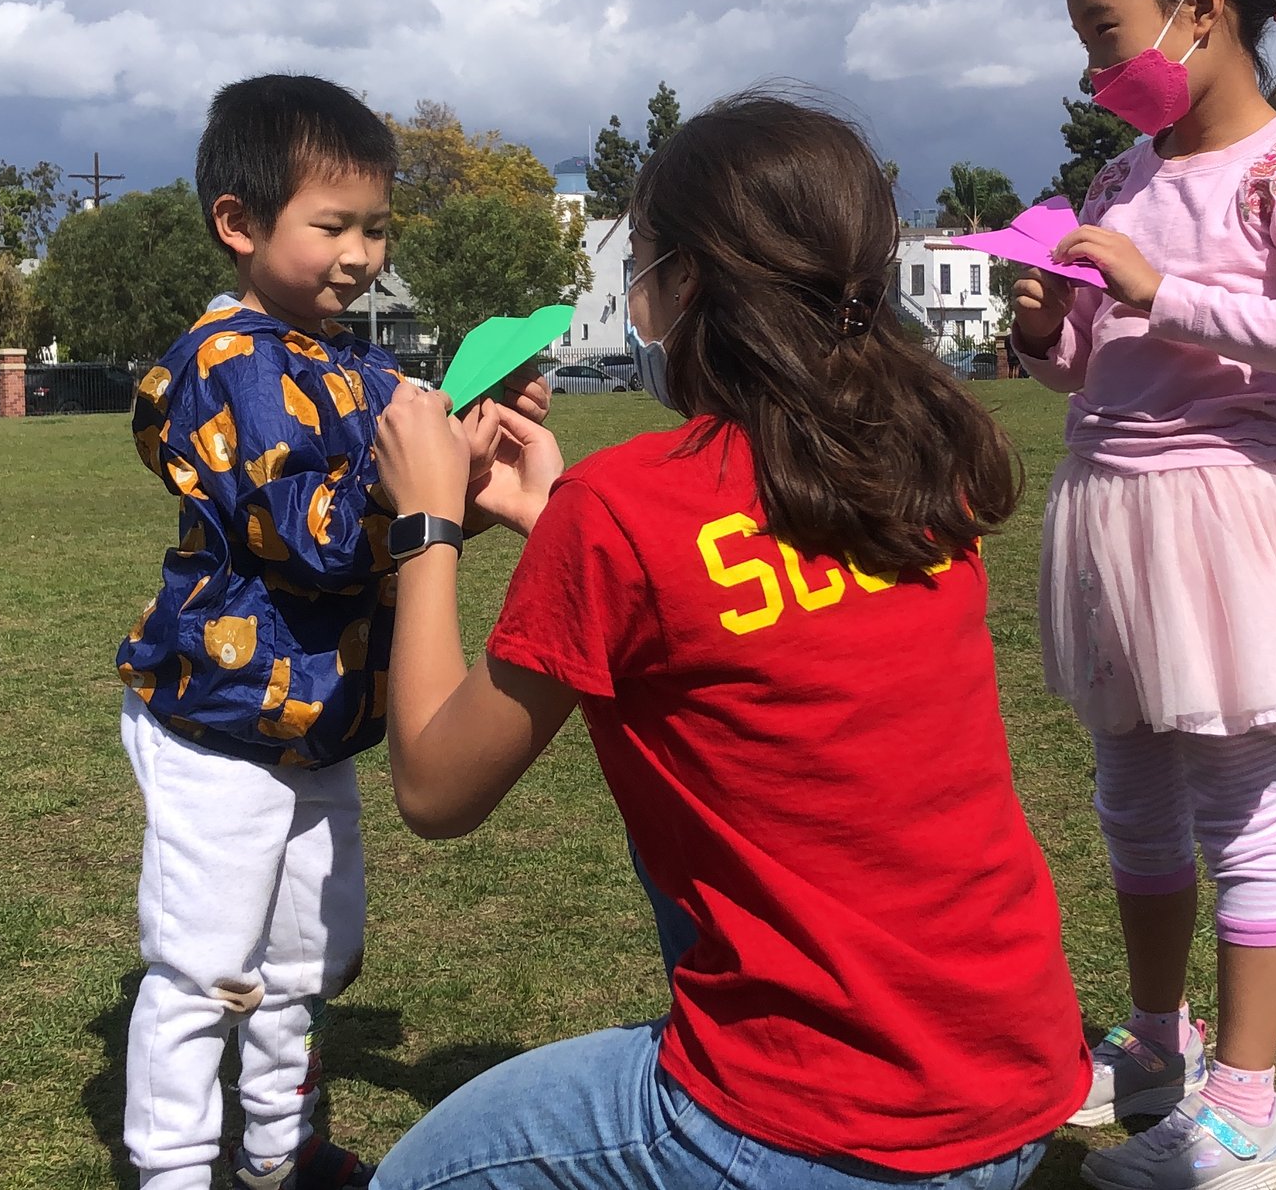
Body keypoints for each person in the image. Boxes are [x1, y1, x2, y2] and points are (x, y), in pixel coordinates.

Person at [365, 93, 1088, 1190]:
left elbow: (432, 784)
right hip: (1015, 1078)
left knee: (414, 1179)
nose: (637, 297)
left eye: (642, 265)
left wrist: (426, 522)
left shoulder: (626, 507)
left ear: (689, 281)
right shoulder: (910, 466)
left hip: (823, 1121)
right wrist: (556, 516)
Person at [1011, 0, 1276, 1190]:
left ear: (1202, 12)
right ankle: (1160, 1049)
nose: (1094, 64)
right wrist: (1047, 322)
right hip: (1110, 507)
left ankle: (1249, 1105)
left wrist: (1162, 286)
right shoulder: (1123, 172)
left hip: (1223, 514)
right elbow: (1088, 365)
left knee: (1238, 805)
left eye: (1106, 31)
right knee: (1129, 798)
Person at [114, 74, 545, 1190]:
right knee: (203, 964)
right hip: (222, 714)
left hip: (319, 712)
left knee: (306, 953)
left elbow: (396, 541)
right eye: (334, 224)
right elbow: (307, 534)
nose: (360, 253)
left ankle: (274, 1150)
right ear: (239, 224)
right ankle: (169, 1168)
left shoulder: (348, 365)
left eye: (376, 226)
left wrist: (466, 455)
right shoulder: (232, 365)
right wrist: (424, 489)